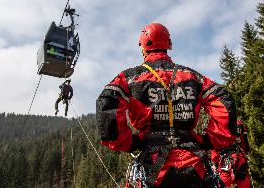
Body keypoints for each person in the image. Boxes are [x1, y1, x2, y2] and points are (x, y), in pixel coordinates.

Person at [96, 23, 238, 187]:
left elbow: (107, 102)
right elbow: (223, 99)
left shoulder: (130, 78)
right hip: (195, 162)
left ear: (143, 46)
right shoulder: (193, 76)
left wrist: (129, 143)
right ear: (168, 45)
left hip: (154, 165)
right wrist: (207, 140)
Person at [210, 118, 251, 188]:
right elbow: (246, 146)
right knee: (244, 182)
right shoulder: (239, 122)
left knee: (222, 184)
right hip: (240, 159)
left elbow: (214, 146)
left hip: (225, 161)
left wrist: (214, 163)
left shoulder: (216, 123)